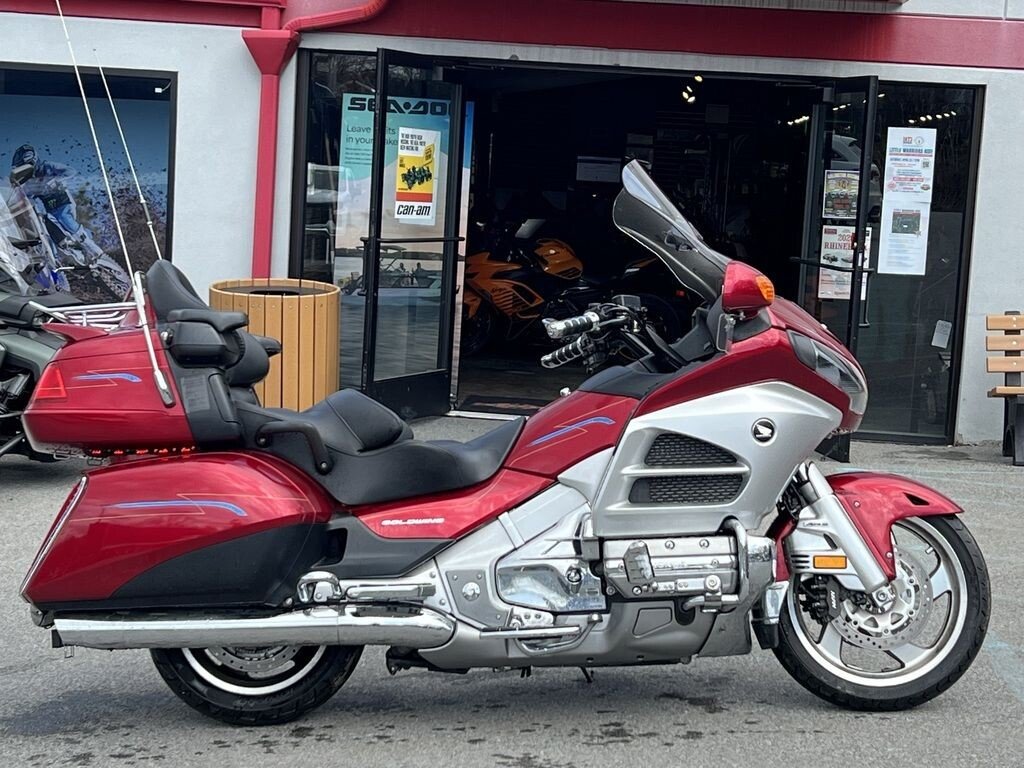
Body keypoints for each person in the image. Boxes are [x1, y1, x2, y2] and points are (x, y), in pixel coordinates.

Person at [10, 143, 106, 267]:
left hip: (63, 202)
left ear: (33, 159)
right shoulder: (30, 182)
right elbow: (26, 196)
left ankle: (93, 248)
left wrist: (56, 180)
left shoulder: (47, 166)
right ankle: (59, 256)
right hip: (50, 210)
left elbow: (71, 171)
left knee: (65, 218)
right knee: (45, 226)